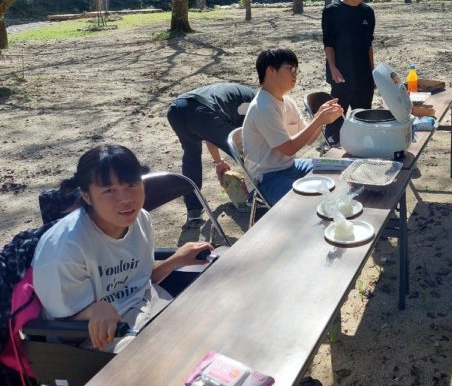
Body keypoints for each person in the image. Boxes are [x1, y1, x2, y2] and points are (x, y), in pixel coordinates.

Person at [32, 144, 212, 352]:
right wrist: (93, 311)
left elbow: (141, 279)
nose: (126, 199)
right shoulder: (66, 248)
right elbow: (60, 331)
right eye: (109, 190)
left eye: (132, 185)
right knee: (184, 351)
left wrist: (177, 259)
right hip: (102, 338)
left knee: (213, 322)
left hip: (149, 308)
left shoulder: (141, 219)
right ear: (87, 196)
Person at [242, 47, 343, 206]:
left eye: (296, 69)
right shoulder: (263, 108)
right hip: (266, 178)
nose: (295, 74)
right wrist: (318, 120)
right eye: (291, 69)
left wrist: (322, 120)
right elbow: (289, 148)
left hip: (291, 166)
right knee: (308, 203)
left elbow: (309, 139)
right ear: (270, 71)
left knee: (340, 169)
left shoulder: (287, 101)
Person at [167, 83, 258, 223]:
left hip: (176, 110)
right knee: (246, 153)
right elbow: (246, 149)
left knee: (191, 156)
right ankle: (256, 197)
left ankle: (194, 211)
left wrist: (219, 162)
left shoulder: (240, 99)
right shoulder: (257, 104)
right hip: (202, 109)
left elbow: (210, 132)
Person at [321, 0, 376, 144]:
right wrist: (333, 68)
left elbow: (369, 45)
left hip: (364, 77)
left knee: (364, 120)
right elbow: (328, 44)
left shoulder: (368, 12)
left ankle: (361, 149)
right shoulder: (331, 11)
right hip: (341, 76)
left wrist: (373, 73)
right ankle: (331, 147)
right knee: (336, 120)